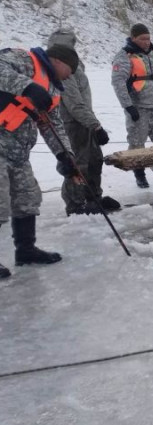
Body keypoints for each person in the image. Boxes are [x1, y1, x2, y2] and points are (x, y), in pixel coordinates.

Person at [0, 43, 81, 279]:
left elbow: (52, 125)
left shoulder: (53, 90)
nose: (71, 75)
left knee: (28, 198)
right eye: (70, 69)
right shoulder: (24, 60)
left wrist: (65, 156)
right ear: (58, 61)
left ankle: (26, 250)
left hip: (19, 152)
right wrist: (27, 86)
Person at [47, 29, 120, 216]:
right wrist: (96, 125)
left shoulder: (75, 65)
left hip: (84, 121)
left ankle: (93, 197)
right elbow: (74, 104)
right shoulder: (62, 67)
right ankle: (75, 204)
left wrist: (92, 123)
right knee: (77, 164)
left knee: (94, 160)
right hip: (71, 124)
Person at [111, 23, 153, 188]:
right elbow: (118, 82)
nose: (146, 42)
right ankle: (140, 174)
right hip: (138, 106)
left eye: (148, 38)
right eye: (142, 39)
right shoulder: (124, 56)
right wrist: (128, 106)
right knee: (137, 143)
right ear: (133, 38)